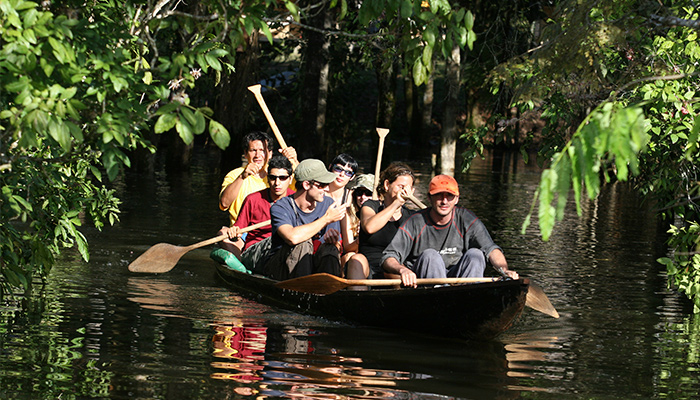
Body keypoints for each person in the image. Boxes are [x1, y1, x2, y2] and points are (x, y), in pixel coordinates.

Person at [381, 174, 519, 287]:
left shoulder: (467, 219)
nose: (444, 201)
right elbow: (388, 257)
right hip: (427, 286)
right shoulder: (416, 222)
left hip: (458, 282)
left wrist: (504, 270)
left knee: (476, 254)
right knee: (431, 256)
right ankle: (441, 297)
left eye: (449, 196)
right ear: (429, 198)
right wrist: (403, 270)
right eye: (439, 195)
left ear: (457, 199)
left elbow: (490, 249)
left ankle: (471, 296)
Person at [262, 159, 349, 280]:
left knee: (330, 248)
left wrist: (334, 242)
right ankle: (300, 293)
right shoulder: (280, 207)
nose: (327, 189)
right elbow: (292, 238)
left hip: (314, 264)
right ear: (306, 185)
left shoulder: (328, 204)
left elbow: (338, 247)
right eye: (322, 185)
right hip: (282, 269)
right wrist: (326, 219)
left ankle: (328, 291)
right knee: (302, 243)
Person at [216, 155, 295, 273]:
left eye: (282, 178)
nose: (277, 183)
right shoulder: (253, 199)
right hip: (256, 252)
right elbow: (239, 230)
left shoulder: (296, 200)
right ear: (267, 179)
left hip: (286, 249)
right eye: (273, 178)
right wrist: (234, 232)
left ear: (290, 179)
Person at [346, 163, 416, 280]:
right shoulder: (370, 206)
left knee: (400, 271)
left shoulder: (412, 217)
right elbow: (369, 227)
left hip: (395, 269)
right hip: (367, 268)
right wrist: (396, 203)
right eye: (401, 186)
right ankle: (358, 297)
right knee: (356, 259)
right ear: (387, 185)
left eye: (408, 188)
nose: (405, 191)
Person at [219, 131, 298, 226]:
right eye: (253, 150)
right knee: (223, 233)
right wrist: (242, 177)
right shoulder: (234, 175)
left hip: (276, 228)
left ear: (270, 153)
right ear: (245, 153)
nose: (257, 155)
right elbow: (224, 203)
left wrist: (295, 161)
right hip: (242, 231)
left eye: (262, 150)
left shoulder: (282, 177)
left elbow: (307, 188)